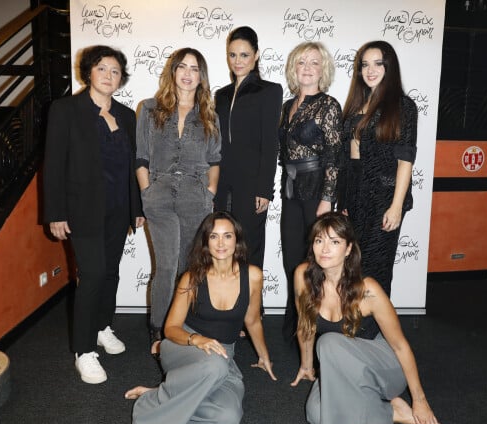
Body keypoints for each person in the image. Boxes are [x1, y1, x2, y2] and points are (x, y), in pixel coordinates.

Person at [43, 45, 144, 384]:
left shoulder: (127, 116)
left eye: (115, 71)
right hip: (82, 211)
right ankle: (83, 350)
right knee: (94, 275)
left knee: (111, 273)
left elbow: (133, 167)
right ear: (88, 72)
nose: (108, 76)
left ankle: (102, 327)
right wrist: (55, 213)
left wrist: (137, 208)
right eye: (102, 68)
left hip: (118, 209)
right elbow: (53, 164)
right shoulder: (66, 110)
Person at [291, 212, 445, 424]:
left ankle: (375, 416)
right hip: (343, 370)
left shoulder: (367, 290)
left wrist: (420, 400)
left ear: (348, 249)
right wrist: (306, 366)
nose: (324, 249)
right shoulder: (302, 276)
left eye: (334, 242)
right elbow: (305, 326)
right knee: (316, 416)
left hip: (383, 368)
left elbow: (400, 346)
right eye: (319, 240)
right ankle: (390, 411)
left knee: (327, 343)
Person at [125, 211, 276, 424]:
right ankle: (153, 406)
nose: (221, 243)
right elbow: (171, 329)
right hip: (183, 346)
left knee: (227, 419)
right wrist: (196, 339)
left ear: (237, 240)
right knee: (214, 365)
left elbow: (252, 321)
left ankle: (162, 395)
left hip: (223, 355)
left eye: (227, 236)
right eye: (214, 236)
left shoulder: (253, 276)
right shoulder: (193, 277)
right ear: (206, 241)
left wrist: (264, 357)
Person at [136, 48, 221, 357]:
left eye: (195, 68)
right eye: (182, 67)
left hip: (195, 198)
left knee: (189, 266)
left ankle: (183, 324)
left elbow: (214, 159)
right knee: (168, 265)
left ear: (201, 76)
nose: (187, 73)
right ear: (173, 72)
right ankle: (158, 327)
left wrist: (209, 191)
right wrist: (147, 192)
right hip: (159, 196)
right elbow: (141, 157)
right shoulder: (148, 109)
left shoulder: (209, 115)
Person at [338, 40, 418, 297]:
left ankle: (373, 330)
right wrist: (345, 198)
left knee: (376, 267)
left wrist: (396, 206)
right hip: (356, 194)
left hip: (384, 196)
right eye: (364, 65)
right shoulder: (355, 105)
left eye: (378, 64)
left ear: (389, 67)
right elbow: (349, 160)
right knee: (353, 266)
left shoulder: (403, 107)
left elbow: (406, 160)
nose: (370, 70)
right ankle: (354, 323)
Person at [279, 42, 342, 344]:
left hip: (317, 188)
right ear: (293, 67)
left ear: (323, 69)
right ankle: (298, 327)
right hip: (290, 190)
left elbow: (333, 155)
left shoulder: (328, 105)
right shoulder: (285, 106)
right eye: (301, 62)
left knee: (317, 261)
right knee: (293, 259)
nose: (307, 67)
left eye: (314, 62)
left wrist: (327, 198)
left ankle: (319, 328)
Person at [214, 26, 283, 268]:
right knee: (223, 251)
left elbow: (271, 143)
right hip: (222, 186)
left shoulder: (270, 91)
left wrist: (265, 189)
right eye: (232, 55)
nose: (238, 61)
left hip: (252, 186)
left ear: (256, 55)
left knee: (250, 250)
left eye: (244, 55)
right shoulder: (220, 95)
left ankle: (254, 306)